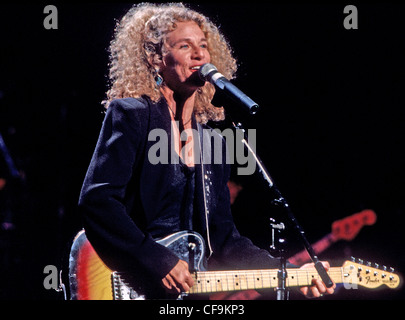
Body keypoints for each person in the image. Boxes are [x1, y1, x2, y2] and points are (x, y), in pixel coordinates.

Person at [78, 3, 335, 299]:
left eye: (203, 45)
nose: (199, 54)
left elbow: (225, 240)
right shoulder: (132, 115)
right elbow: (97, 201)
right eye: (185, 46)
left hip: (189, 294)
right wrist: (157, 260)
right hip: (131, 281)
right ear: (155, 58)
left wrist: (289, 272)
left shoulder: (214, 142)